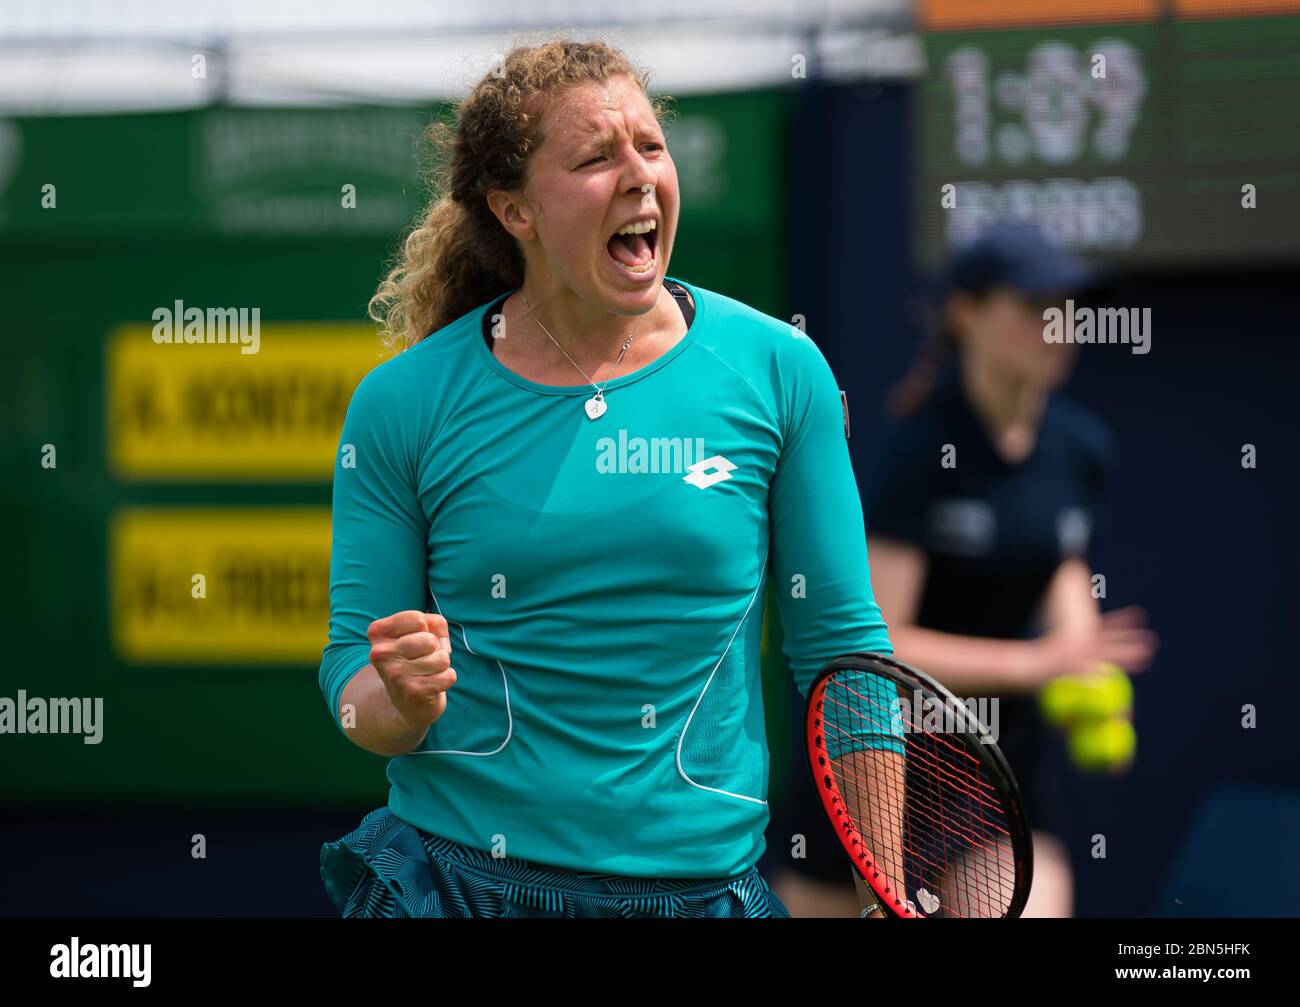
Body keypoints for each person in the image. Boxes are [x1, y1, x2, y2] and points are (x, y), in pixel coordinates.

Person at [315, 39, 900, 918]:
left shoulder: (782, 370)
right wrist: (396, 699)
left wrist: (886, 896)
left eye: (653, 147)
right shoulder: (401, 404)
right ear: (514, 209)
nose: (640, 176)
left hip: (701, 893)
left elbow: (843, 657)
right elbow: (350, 686)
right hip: (457, 885)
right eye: (596, 157)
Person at [766, 222, 1159, 917]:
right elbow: (879, 645)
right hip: (877, 761)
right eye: (1034, 307)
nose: (1059, 325)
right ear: (966, 314)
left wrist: (1089, 672)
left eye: (1067, 307)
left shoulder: (1080, 449)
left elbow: (1061, 568)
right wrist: (1039, 663)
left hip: (996, 773)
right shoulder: (918, 451)